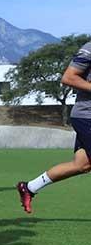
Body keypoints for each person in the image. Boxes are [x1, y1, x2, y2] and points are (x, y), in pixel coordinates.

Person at [16, 42, 91, 213]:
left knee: (82, 165)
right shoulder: (89, 49)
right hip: (87, 116)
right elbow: (69, 77)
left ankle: (29, 187)